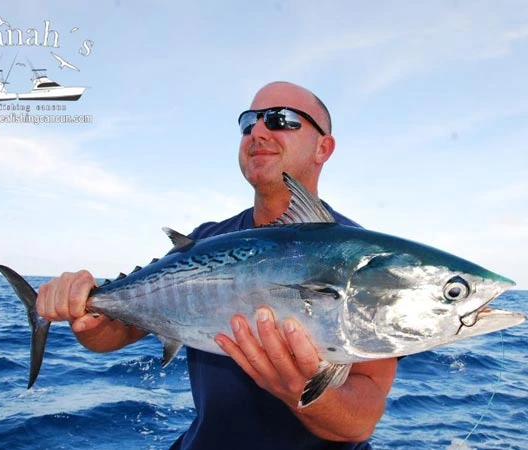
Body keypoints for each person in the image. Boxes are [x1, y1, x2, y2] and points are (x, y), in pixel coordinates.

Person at [36, 81, 398, 449]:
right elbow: (114, 334)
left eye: (280, 119)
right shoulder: (206, 239)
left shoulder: (366, 262)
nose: (258, 131)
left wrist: (297, 391)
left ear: (323, 147)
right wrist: (83, 310)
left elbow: (359, 420)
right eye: (248, 123)